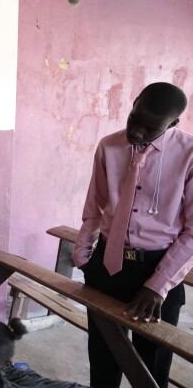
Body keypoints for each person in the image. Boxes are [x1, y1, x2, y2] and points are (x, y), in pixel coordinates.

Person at [73, 82, 192, 388]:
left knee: (151, 370)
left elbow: (192, 232)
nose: (136, 133)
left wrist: (158, 286)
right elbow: (93, 208)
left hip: (157, 268)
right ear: (134, 102)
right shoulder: (109, 146)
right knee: (103, 359)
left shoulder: (189, 155)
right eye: (133, 119)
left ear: (173, 124)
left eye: (150, 128)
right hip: (107, 265)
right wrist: (83, 256)